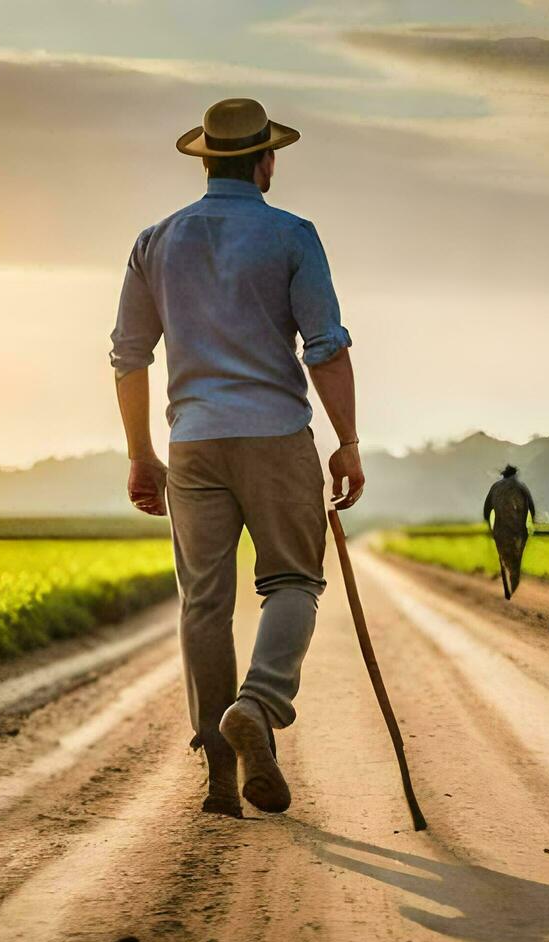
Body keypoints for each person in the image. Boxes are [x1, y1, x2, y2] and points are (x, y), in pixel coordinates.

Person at [109, 97, 364, 818]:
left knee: (205, 604)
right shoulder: (291, 234)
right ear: (265, 160)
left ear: (204, 158)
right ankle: (258, 703)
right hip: (276, 435)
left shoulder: (155, 240)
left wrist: (140, 454)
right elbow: (325, 348)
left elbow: (129, 357)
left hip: (191, 442)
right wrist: (345, 443)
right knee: (291, 582)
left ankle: (219, 774)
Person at [483, 464, 536, 599]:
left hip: (500, 531)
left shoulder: (495, 487)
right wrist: (532, 524)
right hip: (518, 531)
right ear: (515, 475)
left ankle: (507, 587)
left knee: (503, 558)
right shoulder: (522, 487)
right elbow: (532, 509)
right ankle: (514, 583)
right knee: (516, 559)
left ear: (504, 475)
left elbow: (486, 511)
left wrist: (490, 527)